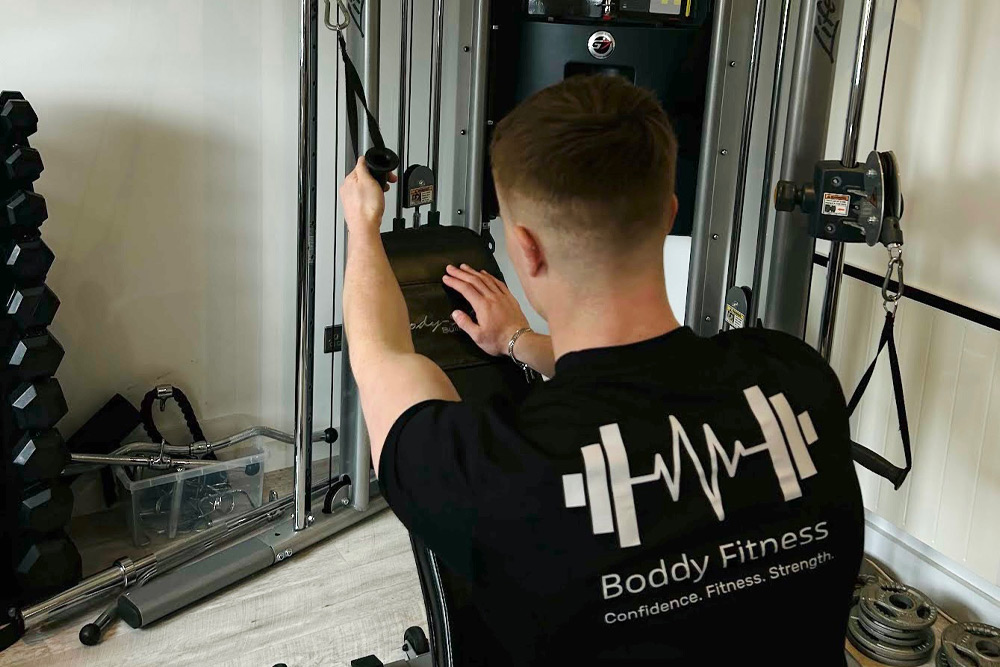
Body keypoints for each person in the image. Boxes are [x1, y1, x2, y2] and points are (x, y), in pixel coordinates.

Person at [340, 75, 863, 665]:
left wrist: (362, 226)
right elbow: (638, 384)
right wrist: (517, 341)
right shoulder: (797, 378)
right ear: (668, 214)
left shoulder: (495, 473)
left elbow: (381, 356)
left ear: (525, 249)